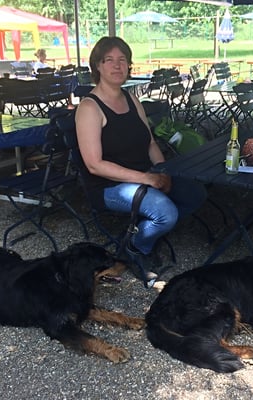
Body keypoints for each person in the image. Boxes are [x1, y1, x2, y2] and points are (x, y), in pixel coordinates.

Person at [75, 36, 207, 282]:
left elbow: (150, 143)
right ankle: (135, 248)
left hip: (144, 175)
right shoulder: (89, 108)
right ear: (98, 66)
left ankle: (146, 230)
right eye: (109, 60)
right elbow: (94, 165)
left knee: (195, 193)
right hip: (109, 186)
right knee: (166, 212)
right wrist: (147, 179)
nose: (117, 65)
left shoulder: (131, 99)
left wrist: (162, 171)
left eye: (122, 59)